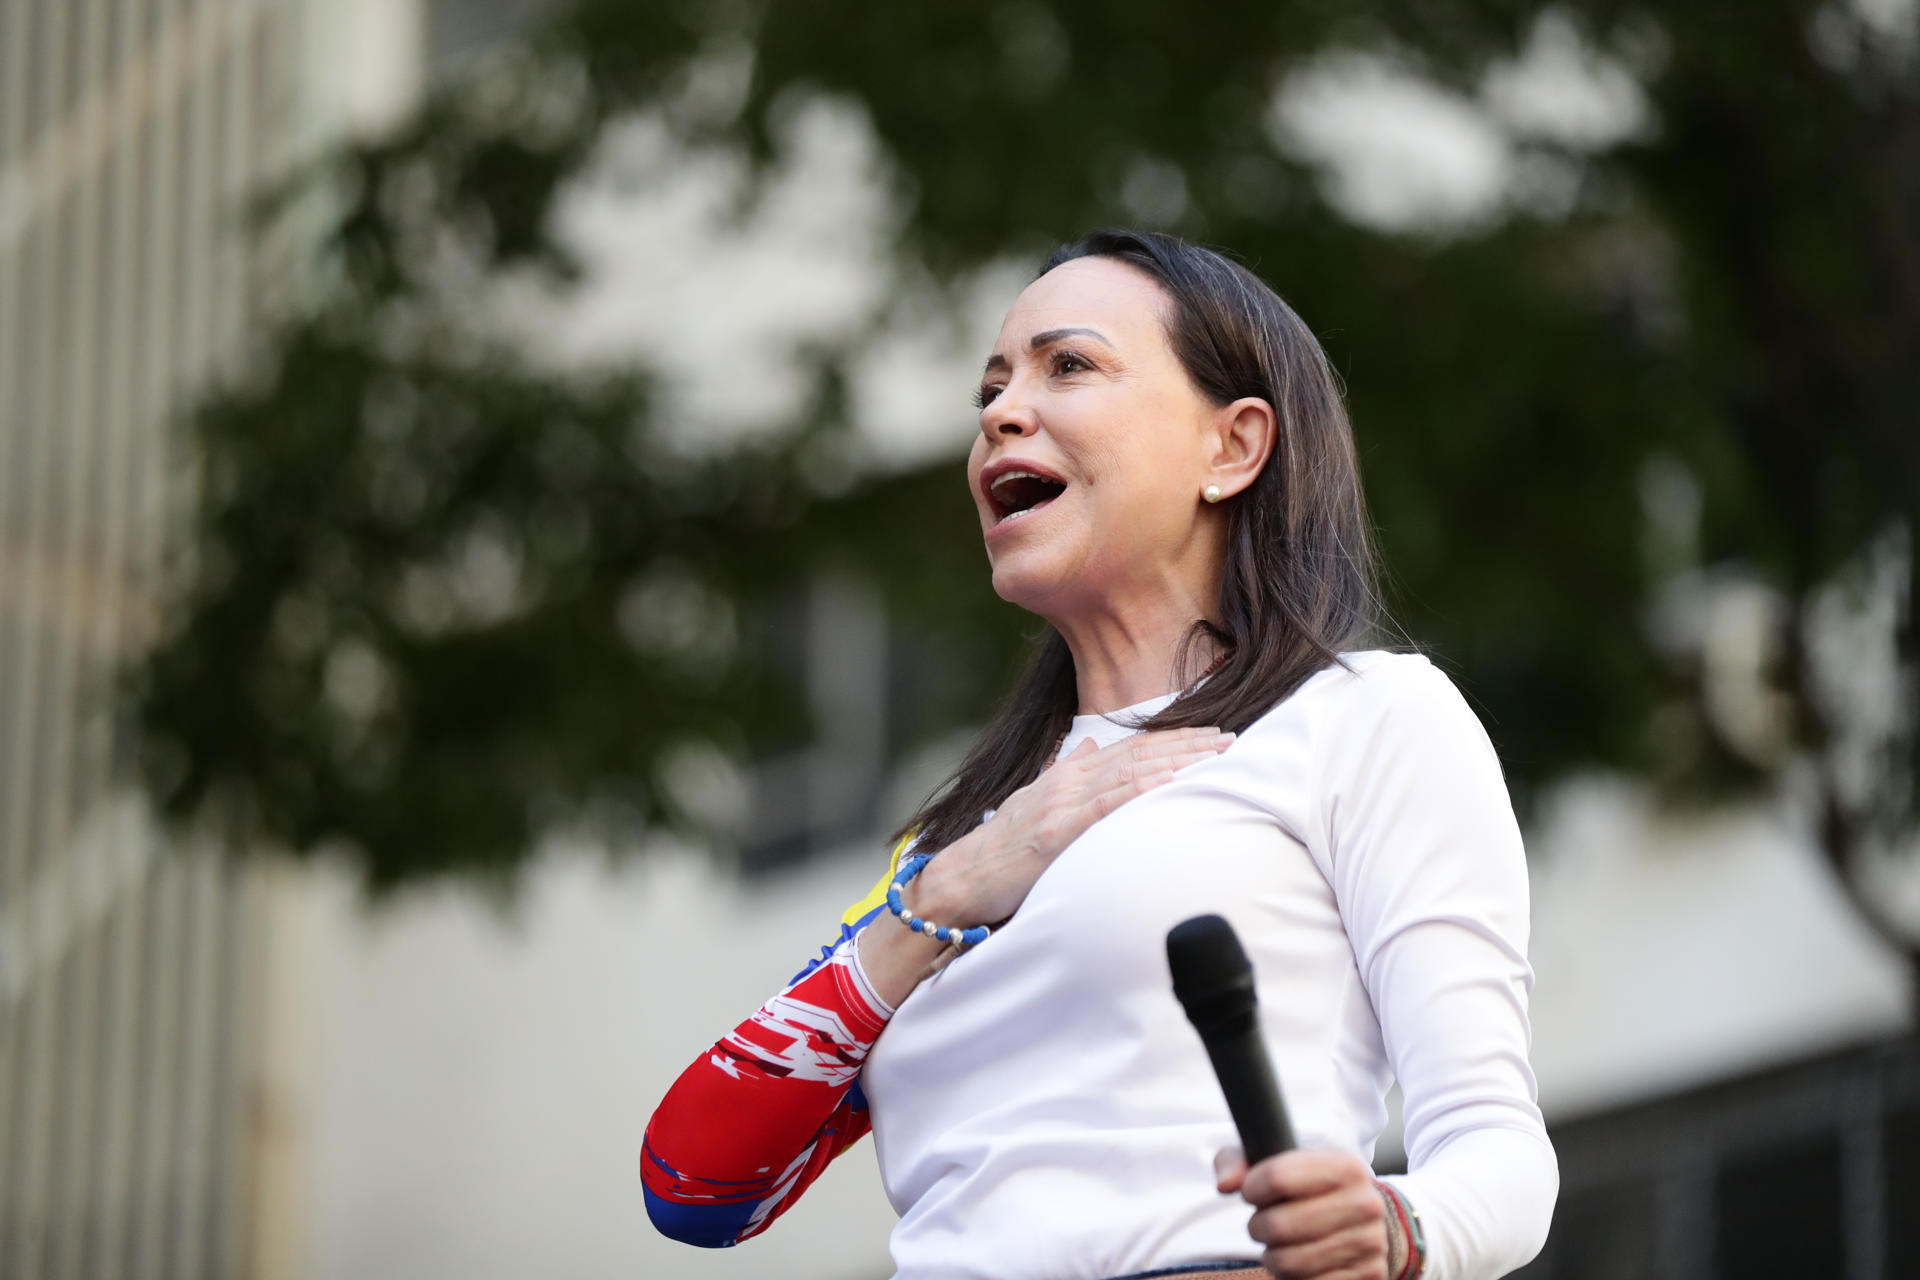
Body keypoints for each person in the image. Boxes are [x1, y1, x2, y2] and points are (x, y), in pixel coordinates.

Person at [641, 229, 1557, 1280]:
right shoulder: (953, 852)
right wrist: (950, 888)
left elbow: (1498, 1153)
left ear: (1233, 447)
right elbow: (695, 1183)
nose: (1000, 413)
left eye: (1068, 365)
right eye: (991, 388)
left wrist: (1392, 1228)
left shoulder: (1361, 718)